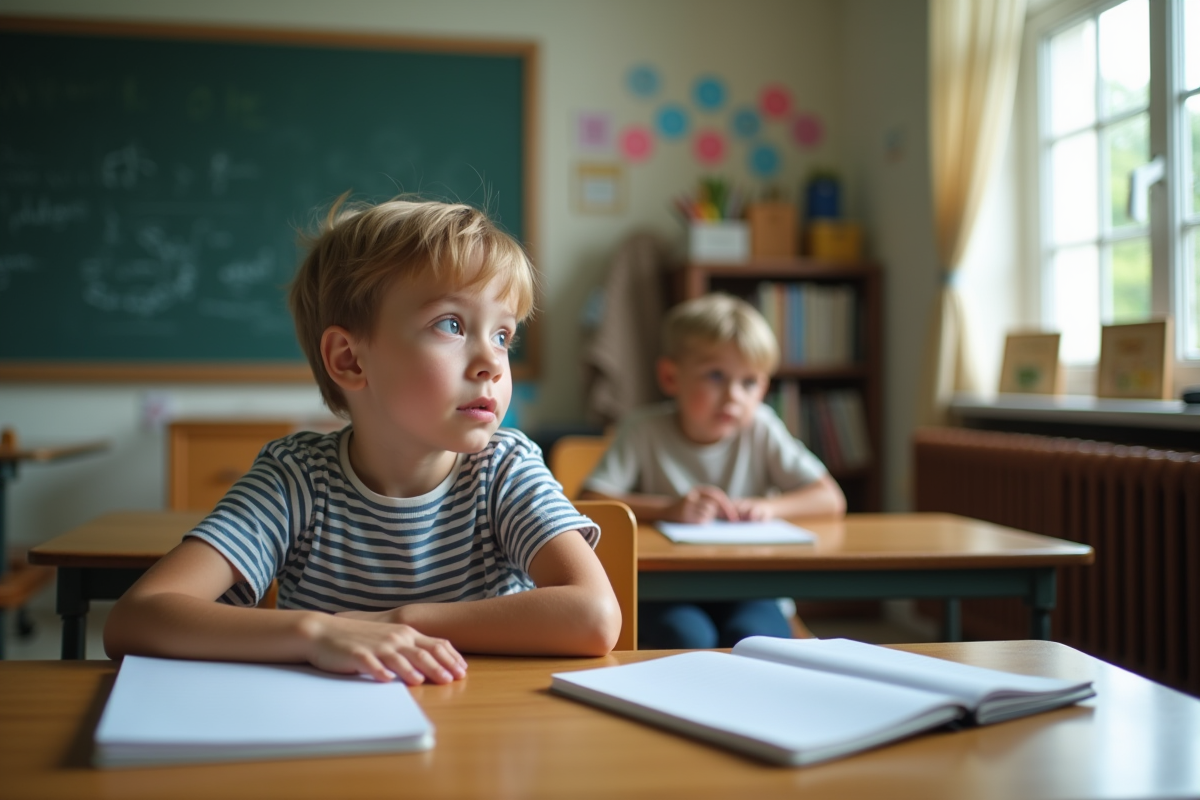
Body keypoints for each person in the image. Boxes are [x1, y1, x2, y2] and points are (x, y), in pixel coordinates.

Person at [105, 197, 621, 685]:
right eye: (451, 324)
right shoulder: (297, 478)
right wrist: (318, 633)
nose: (492, 362)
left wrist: (398, 621)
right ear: (350, 359)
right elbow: (136, 617)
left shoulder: (504, 468)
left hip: (484, 730)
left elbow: (594, 616)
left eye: (503, 335)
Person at [581, 292, 846, 649]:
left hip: (752, 586)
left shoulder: (762, 428)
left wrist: (769, 507)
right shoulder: (642, 430)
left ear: (763, 388)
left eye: (749, 382)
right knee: (687, 638)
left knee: (756, 640)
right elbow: (590, 502)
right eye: (716, 376)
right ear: (670, 377)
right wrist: (669, 509)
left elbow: (830, 498)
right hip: (666, 587)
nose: (734, 395)